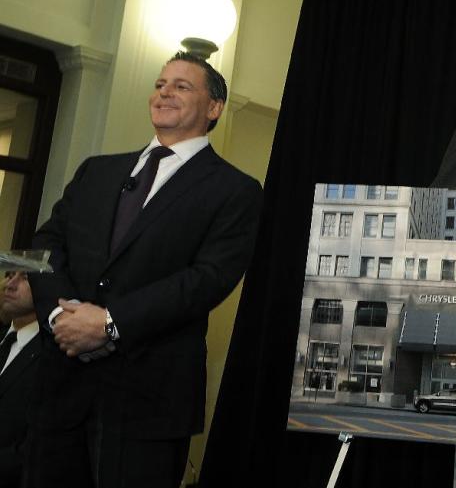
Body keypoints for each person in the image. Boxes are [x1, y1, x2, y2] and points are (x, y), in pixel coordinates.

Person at [25, 52, 263, 488]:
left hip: (149, 400)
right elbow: (45, 246)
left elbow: (207, 279)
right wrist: (62, 317)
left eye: (181, 86)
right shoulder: (97, 171)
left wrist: (111, 324)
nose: (164, 92)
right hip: (62, 389)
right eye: (159, 84)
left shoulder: (236, 190)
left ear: (214, 108)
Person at [0, 271, 40, 488]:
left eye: (24, 277)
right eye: (8, 274)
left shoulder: (54, 358)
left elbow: (36, 450)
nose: (10, 284)